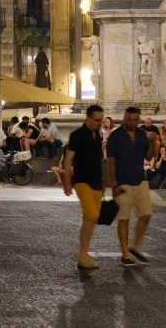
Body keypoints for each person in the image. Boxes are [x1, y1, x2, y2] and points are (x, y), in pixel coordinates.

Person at [107, 106, 159, 267]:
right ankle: (125, 254)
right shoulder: (115, 136)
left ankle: (135, 247)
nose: (132, 122)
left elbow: (148, 156)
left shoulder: (141, 133)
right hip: (122, 182)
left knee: (146, 214)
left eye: (136, 120)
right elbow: (111, 162)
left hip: (140, 180)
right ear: (124, 118)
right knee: (124, 218)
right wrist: (114, 184)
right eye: (129, 119)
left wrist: (153, 143)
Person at [63, 104, 106, 270]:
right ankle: (82, 254)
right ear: (88, 118)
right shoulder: (77, 135)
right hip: (81, 181)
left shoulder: (98, 134)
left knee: (90, 219)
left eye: (101, 120)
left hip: (95, 182)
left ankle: (83, 253)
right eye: (97, 120)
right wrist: (67, 181)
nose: (100, 123)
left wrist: (102, 181)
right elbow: (68, 160)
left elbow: (97, 160)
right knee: (93, 215)